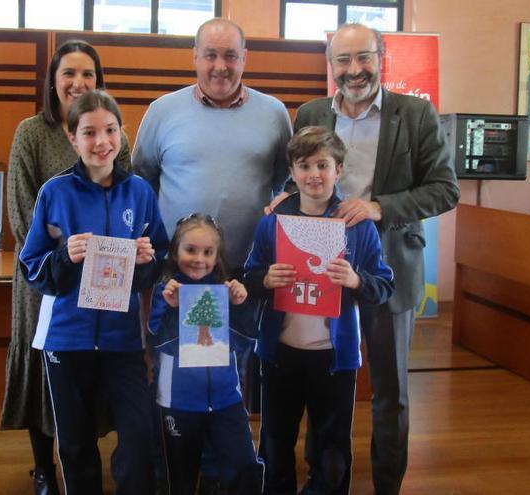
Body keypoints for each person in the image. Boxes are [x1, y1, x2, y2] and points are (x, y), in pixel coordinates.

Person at [290, 24, 460, 494]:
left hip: (389, 266)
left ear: (382, 57)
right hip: (321, 268)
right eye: (342, 61)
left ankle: (388, 485)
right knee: (322, 383)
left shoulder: (417, 114)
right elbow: (299, 179)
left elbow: (445, 189)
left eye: (363, 57)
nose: (354, 70)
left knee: (391, 393)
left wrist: (378, 207)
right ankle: (324, 479)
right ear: (331, 65)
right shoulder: (311, 112)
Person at [132, 17, 292, 491]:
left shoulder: (274, 112)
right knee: (174, 378)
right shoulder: (163, 111)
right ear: (194, 57)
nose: (220, 66)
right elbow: (142, 181)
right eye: (211, 54)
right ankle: (177, 472)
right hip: (177, 278)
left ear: (245, 59)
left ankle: (224, 477)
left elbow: (288, 180)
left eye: (231, 56)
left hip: (242, 279)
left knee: (229, 381)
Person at [18, 90, 168, 495]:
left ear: (122, 134)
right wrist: (64, 255)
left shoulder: (139, 192)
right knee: (76, 443)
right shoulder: (55, 192)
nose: (101, 141)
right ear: (72, 138)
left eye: (110, 130)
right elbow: (32, 267)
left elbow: (158, 262)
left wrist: (146, 260)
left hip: (122, 340)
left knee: (138, 437)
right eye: (89, 132)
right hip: (67, 339)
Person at [2, 39, 131, 494]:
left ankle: (82, 463)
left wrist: (97, 245)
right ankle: (43, 469)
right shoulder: (30, 133)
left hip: (103, 281)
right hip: (44, 280)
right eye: (69, 74)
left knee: (88, 374)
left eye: (88, 75)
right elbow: (24, 216)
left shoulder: (113, 132)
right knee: (44, 370)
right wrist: (64, 247)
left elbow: (124, 198)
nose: (79, 83)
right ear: (53, 81)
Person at [246, 126, 395, 494]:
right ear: (292, 173)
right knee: (276, 440)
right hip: (280, 354)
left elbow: (384, 284)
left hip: (334, 358)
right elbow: (248, 278)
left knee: (331, 446)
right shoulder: (273, 223)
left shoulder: (357, 227)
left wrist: (356, 280)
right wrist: (266, 279)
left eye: (322, 165)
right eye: (304, 166)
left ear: (338, 170)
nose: (314, 174)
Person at [148, 213, 263, 495]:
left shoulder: (225, 292)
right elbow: (159, 343)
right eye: (190, 250)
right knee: (179, 476)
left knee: (244, 466)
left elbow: (245, 342)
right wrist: (172, 307)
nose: (199, 259)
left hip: (226, 399)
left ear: (217, 256)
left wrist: (240, 305)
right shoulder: (164, 292)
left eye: (207, 252)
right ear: (175, 253)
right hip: (179, 402)